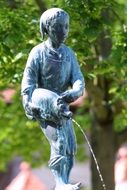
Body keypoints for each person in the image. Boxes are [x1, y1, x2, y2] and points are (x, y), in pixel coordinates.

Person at [21, 8, 85, 190]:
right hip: (43, 103)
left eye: (66, 27)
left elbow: (78, 78)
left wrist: (75, 92)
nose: (63, 31)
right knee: (59, 140)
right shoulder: (37, 52)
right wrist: (28, 103)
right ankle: (60, 183)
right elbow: (29, 82)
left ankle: (65, 180)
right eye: (58, 27)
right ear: (47, 28)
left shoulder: (69, 54)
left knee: (70, 147)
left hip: (62, 105)